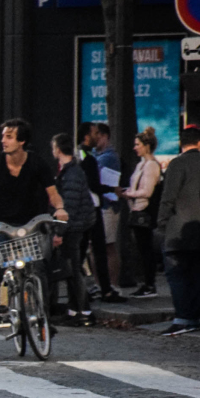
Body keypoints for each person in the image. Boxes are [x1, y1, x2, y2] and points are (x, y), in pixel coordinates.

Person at [0, 118, 70, 326]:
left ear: (22, 141)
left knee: (39, 267)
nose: (3, 141)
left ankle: (43, 317)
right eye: (3, 136)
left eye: (9, 136)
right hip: (3, 224)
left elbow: (52, 193)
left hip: (33, 222)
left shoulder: (37, 163)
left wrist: (60, 209)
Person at [154, 126, 200, 335]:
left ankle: (183, 318)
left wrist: (161, 223)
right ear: (199, 142)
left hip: (178, 230)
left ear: (181, 143)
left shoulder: (177, 164)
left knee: (177, 275)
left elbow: (169, 196)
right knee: (198, 275)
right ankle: (194, 317)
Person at [51, 133, 96, 325]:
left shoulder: (71, 173)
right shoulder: (71, 171)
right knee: (72, 270)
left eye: (53, 147)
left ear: (58, 149)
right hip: (76, 226)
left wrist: (59, 232)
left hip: (73, 228)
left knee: (73, 270)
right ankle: (74, 310)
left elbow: (68, 207)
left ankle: (83, 311)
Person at [78, 123, 123, 302]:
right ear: (87, 136)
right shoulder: (87, 157)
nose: (98, 136)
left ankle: (98, 288)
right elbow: (93, 185)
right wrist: (111, 188)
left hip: (86, 207)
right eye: (95, 133)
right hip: (91, 207)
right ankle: (104, 290)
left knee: (90, 249)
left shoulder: (85, 155)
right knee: (96, 249)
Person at [122, 127, 162, 298]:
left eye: (137, 144)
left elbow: (147, 191)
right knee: (141, 248)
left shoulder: (151, 165)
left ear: (146, 146)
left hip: (144, 211)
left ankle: (149, 284)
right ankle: (146, 283)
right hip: (137, 209)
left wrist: (128, 194)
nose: (135, 147)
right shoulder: (141, 164)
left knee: (145, 248)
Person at [93, 123, 126, 293]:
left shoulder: (109, 157)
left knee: (108, 245)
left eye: (97, 135)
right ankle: (100, 283)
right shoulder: (95, 155)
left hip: (108, 205)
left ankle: (112, 283)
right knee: (97, 247)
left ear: (105, 136)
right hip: (100, 205)